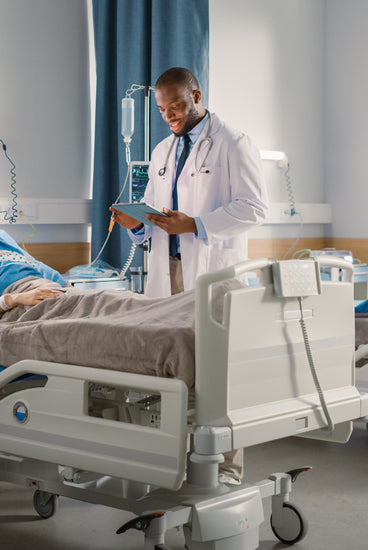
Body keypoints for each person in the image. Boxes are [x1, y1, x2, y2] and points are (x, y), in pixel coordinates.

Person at [110, 67, 268, 485]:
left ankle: (227, 469)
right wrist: (136, 223)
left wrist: (196, 225)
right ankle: (175, 461)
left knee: (220, 371)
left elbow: (253, 208)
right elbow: (153, 210)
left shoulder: (234, 143)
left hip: (213, 270)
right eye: (162, 109)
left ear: (196, 95)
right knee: (176, 369)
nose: (170, 115)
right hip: (168, 270)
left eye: (176, 105)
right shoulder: (162, 151)